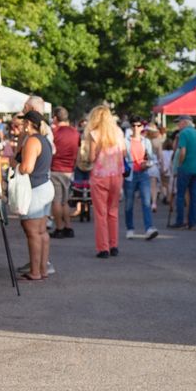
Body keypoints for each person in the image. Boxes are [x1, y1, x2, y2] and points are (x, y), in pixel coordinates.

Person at [82, 105, 124, 258]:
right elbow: (124, 152)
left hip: (100, 175)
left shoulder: (95, 134)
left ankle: (103, 248)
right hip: (116, 175)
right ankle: (114, 245)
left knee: (100, 213)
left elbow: (92, 157)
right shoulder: (118, 133)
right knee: (113, 211)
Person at [16, 111, 54, 280]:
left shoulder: (32, 141)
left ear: (29, 123)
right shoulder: (44, 139)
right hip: (45, 186)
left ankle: (35, 271)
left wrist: (19, 167)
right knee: (42, 231)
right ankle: (43, 269)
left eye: (23, 123)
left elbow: (27, 168)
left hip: (35, 189)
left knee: (32, 232)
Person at [123, 116, 159, 240]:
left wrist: (147, 163)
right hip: (130, 174)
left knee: (146, 202)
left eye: (138, 125)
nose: (136, 128)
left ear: (142, 127)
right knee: (129, 203)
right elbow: (122, 158)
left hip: (143, 173)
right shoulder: (125, 141)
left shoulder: (146, 141)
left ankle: (149, 228)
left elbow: (151, 158)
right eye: (133, 125)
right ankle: (130, 228)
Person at [49, 106, 79, 239]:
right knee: (65, 200)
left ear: (55, 117)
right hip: (69, 170)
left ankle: (59, 227)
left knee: (56, 200)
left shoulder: (54, 132)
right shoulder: (75, 132)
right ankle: (68, 227)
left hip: (56, 168)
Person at [172, 115, 196, 230]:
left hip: (186, 167)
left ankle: (180, 221)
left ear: (184, 123)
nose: (178, 125)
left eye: (179, 123)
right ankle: (192, 222)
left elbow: (182, 151)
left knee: (180, 195)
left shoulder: (184, 134)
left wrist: (180, 164)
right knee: (194, 197)